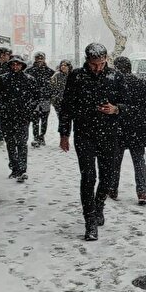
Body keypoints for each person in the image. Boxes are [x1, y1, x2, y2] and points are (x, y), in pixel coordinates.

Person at [59, 43, 128, 241]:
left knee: (108, 177)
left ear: (106, 59)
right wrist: (64, 133)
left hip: (109, 133)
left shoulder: (115, 76)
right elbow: (67, 106)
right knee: (88, 177)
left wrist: (116, 109)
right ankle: (89, 220)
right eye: (93, 64)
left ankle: (99, 205)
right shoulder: (77, 76)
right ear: (87, 61)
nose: (97, 68)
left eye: (101, 63)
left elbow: (129, 104)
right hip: (84, 133)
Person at [111, 56, 146, 205]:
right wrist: (140, 115)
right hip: (137, 127)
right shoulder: (142, 83)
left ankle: (113, 188)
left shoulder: (113, 84)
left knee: (115, 160)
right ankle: (142, 191)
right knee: (139, 161)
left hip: (118, 126)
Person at [0, 55, 43, 182]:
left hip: (23, 116)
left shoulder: (29, 79)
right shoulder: (3, 79)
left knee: (21, 142)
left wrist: (29, 108)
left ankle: (22, 169)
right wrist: (2, 107)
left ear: (22, 65)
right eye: (13, 64)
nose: (15, 67)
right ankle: (14, 167)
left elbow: (36, 96)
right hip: (7, 116)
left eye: (18, 64)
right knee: (10, 143)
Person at [25, 52, 56, 147]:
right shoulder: (29, 71)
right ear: (35, 59)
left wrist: (50, 94)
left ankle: (42, 136)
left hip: (45, 99)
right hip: (34, 99)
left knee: (44, 119)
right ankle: (35, 137)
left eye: (41, 58)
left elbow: (53, 85)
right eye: (37, 58)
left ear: (44, 59)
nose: (39, 60)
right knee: (35, 120)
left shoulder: (50, 71)